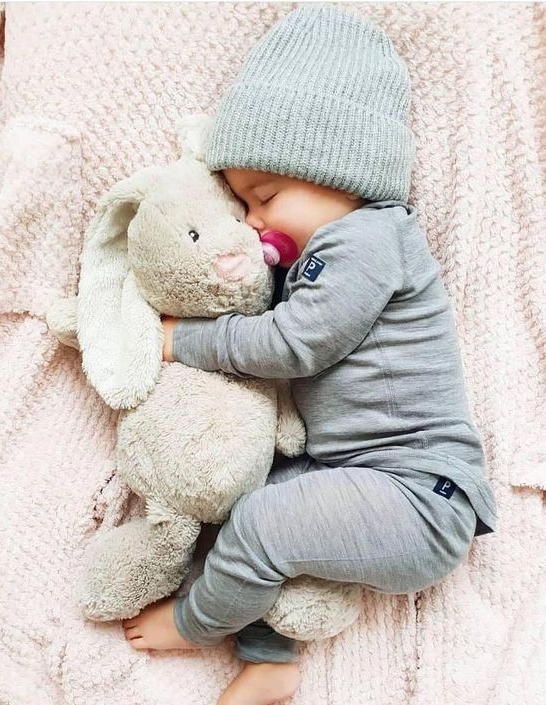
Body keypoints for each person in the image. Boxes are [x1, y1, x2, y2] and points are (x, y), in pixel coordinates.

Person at [122, 5, 498, 705]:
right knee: (257, 496)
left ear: (338, 168)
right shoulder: (328, 250)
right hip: (363, 476)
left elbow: (297, 343)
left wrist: (185, 341)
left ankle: (199, 620)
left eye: (265, 197)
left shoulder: (366, 240)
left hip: (419, 496)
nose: (256, 224)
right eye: (243, 206)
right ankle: (270, 657)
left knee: (265, 522)